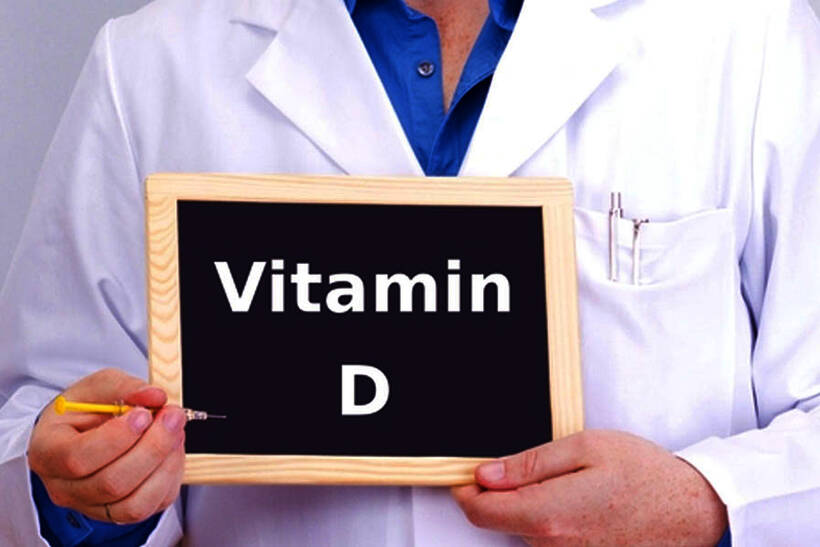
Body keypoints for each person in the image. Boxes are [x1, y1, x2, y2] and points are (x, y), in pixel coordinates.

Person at [1, 0, 819, 544]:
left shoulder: (748, 38)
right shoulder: (151, 66)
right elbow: (44, 416)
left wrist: (706, 501)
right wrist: (76, 489)